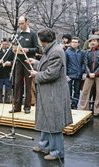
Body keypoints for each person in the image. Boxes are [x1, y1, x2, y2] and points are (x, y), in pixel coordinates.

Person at [27, 28, 73, 160]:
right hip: (48, 91)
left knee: (54, 122)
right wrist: (36, 63)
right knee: (46, 118)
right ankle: (44, 145)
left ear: (46, 41)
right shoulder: (52, 49)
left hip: (54, 92)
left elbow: (51, 74)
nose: (41, 44)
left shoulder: (56, 51)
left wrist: (37, 74)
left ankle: (57, 151)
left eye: (41, 42)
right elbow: (47, 65)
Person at [11, 16, 39, 114]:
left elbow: (37, 48)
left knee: (28, 84)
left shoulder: (32, 34)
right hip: (19, 61)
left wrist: (28, 50)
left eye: (22, 23)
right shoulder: (18, 34)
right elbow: (14, 45)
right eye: (19, 24)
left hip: (28, 62)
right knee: (17, 84)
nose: (20, 26)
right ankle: (17, 106)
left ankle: (27, 106)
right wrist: (14, 49)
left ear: (27, 22)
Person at [79, 35, 99, 116]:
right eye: (90, 41)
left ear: (98, 42)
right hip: (89, 75)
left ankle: (97, 111)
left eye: (94, 41)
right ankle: (83, 110)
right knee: (85, 92)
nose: (92, 42)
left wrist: (95, 73)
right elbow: (85, 63)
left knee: (98, 93)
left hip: (98, 75)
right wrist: (89, 73)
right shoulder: (87, 52)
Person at [65, 37, 85, 109]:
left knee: (77, 91)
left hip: (78, 74)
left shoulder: (81, 52)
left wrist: (82, 71)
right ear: (70, 43)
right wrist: (66, 74)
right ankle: (69, 105)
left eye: (76, 42)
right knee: (68, 91)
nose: (74, 43)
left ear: (78, 44)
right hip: (70, 74)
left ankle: (75, 105)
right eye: (73, 42)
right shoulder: (67, 52)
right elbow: (65, 63)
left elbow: (83, 63)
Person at [0, 38, 14, 104]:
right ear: (1, 44)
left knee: (8, 89)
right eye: (3, 44)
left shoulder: (10, 51)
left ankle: (8, 101)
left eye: (6, 44)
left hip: (7, 73)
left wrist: (10, 63)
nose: (4, 45)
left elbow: (13, 61)